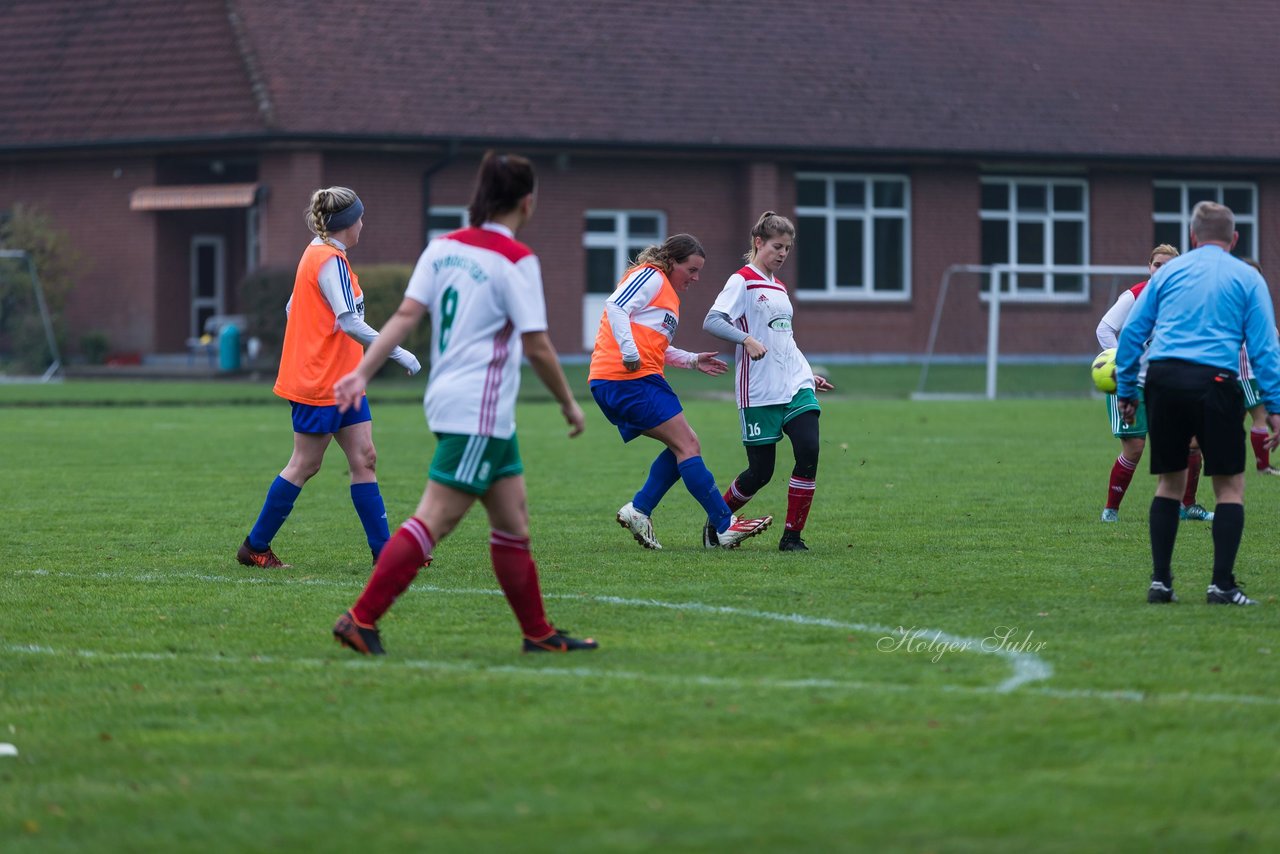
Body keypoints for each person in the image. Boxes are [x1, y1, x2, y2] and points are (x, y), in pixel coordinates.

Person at [330, 152, 596, 655]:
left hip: (457, 400)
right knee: (435, 519)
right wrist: (569, 404)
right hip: (479, 408)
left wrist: (362, 371)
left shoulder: (442, 247)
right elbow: (536, 345)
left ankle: (538, 634)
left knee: (512, 521)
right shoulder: (517, 260)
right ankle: (360, 619)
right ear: (527, 201)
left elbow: (406, 316)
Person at [237, 187, 421, 569]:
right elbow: (349, 320)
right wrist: (397, 350)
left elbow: (293, 307)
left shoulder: (318, 253)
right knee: (304, 465)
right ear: (347, 224)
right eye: (360, 218)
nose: (363, 224)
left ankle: (384, 554)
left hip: (343, 379)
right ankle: (255, 547)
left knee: (365, 458)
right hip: (321, 384)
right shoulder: (328, 259)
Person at [1116, 201, 1280, 606]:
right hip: (1216, 381)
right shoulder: (1247, 277)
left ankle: (1161, 584)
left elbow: (1134, 331)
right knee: (1230, 488)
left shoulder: (1168, 273)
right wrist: (1274, 405)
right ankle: (1221, 586)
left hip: (1164, 379)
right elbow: (1265, 348)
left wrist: (1125, 390)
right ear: (1234, 239)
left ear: (1193, 237)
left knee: (1168, 483)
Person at [588, 233, 773, 550]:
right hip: (627, 378)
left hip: (629, 379)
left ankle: (639, 510)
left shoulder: (666, 295)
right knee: (688, 444)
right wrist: (630, 353)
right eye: (691, 269)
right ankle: (724, 525)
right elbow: (614, 306)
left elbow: (654, 344)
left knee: (683, 446)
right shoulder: (650, 275)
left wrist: (690, 360)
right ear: (671, 262)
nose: (696, 277)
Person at [701, 211, 834, 551]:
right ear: (759, 243)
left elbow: (783, 338)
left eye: (788, 248)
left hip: (794, 384)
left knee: (809, 450)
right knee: (760, 472)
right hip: (759, 391)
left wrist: (805, 371)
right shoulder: (742, 281)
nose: (782, 254)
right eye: (777, 246)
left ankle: (791, 538)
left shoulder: (779, 287)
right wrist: (744, 339)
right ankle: (717, 523)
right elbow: (712, 321)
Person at [1095, 244, 1214, 523]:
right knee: (1135, 447)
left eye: (1169, 265)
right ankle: (1110, 510)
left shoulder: (1184, 300)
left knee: (1193, 442)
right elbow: (1104, 329)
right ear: (1149, 266)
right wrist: (1120, 362)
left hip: (1167, 384)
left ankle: (1187, 506)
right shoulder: (1135, 296)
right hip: (1130, 383)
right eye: (1157, 264)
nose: (1162, 269)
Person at [1238, 259, 1280, 475]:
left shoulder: (1258, 302)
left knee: (1253, 417)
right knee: (1260, 416)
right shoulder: (1238, 302)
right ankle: (1263, 466)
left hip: (1258, 373)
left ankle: (1261, 464)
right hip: (1246, 372)